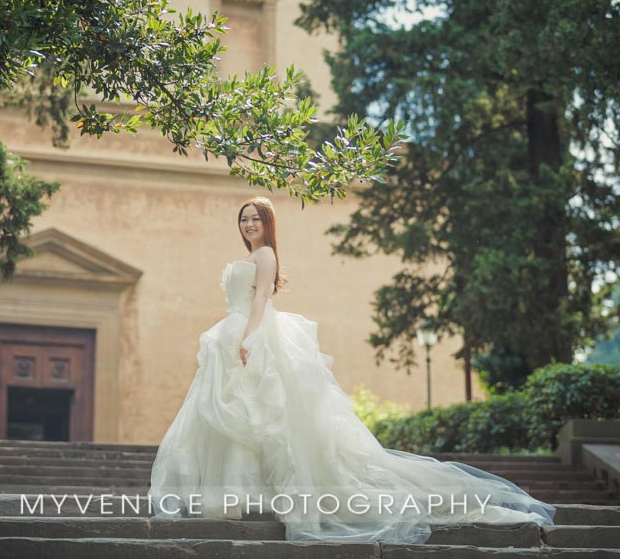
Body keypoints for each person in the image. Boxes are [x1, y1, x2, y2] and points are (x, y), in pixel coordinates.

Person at [147, 197, 556, 543]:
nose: (248, 223)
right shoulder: (248, 257)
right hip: (233, 332)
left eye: (256, 218)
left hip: (252, 333)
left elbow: (261, 301)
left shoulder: (266, 255)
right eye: (244, 218)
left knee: (262, 416)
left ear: (268, 225)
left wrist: (249, 340)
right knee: (239, 418)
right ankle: (234, 496)